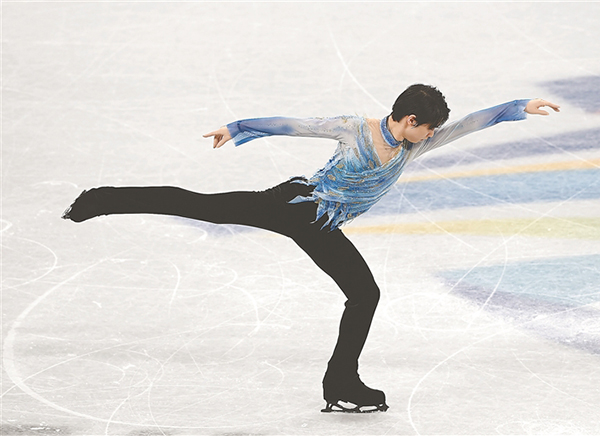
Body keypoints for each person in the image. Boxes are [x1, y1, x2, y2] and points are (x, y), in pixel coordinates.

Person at [62, 84, 560, 413]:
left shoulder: (415, 143)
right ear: (409, 119)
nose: (432, 136)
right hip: (294, 205)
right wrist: (238, 127)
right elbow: (294, 124)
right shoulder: (354, 128)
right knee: (203, 206)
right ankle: (100, 200)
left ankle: (341, 385)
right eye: (428, 127)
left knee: (364, 294)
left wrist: (519, 108)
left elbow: (472, 122)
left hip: (321, 226)